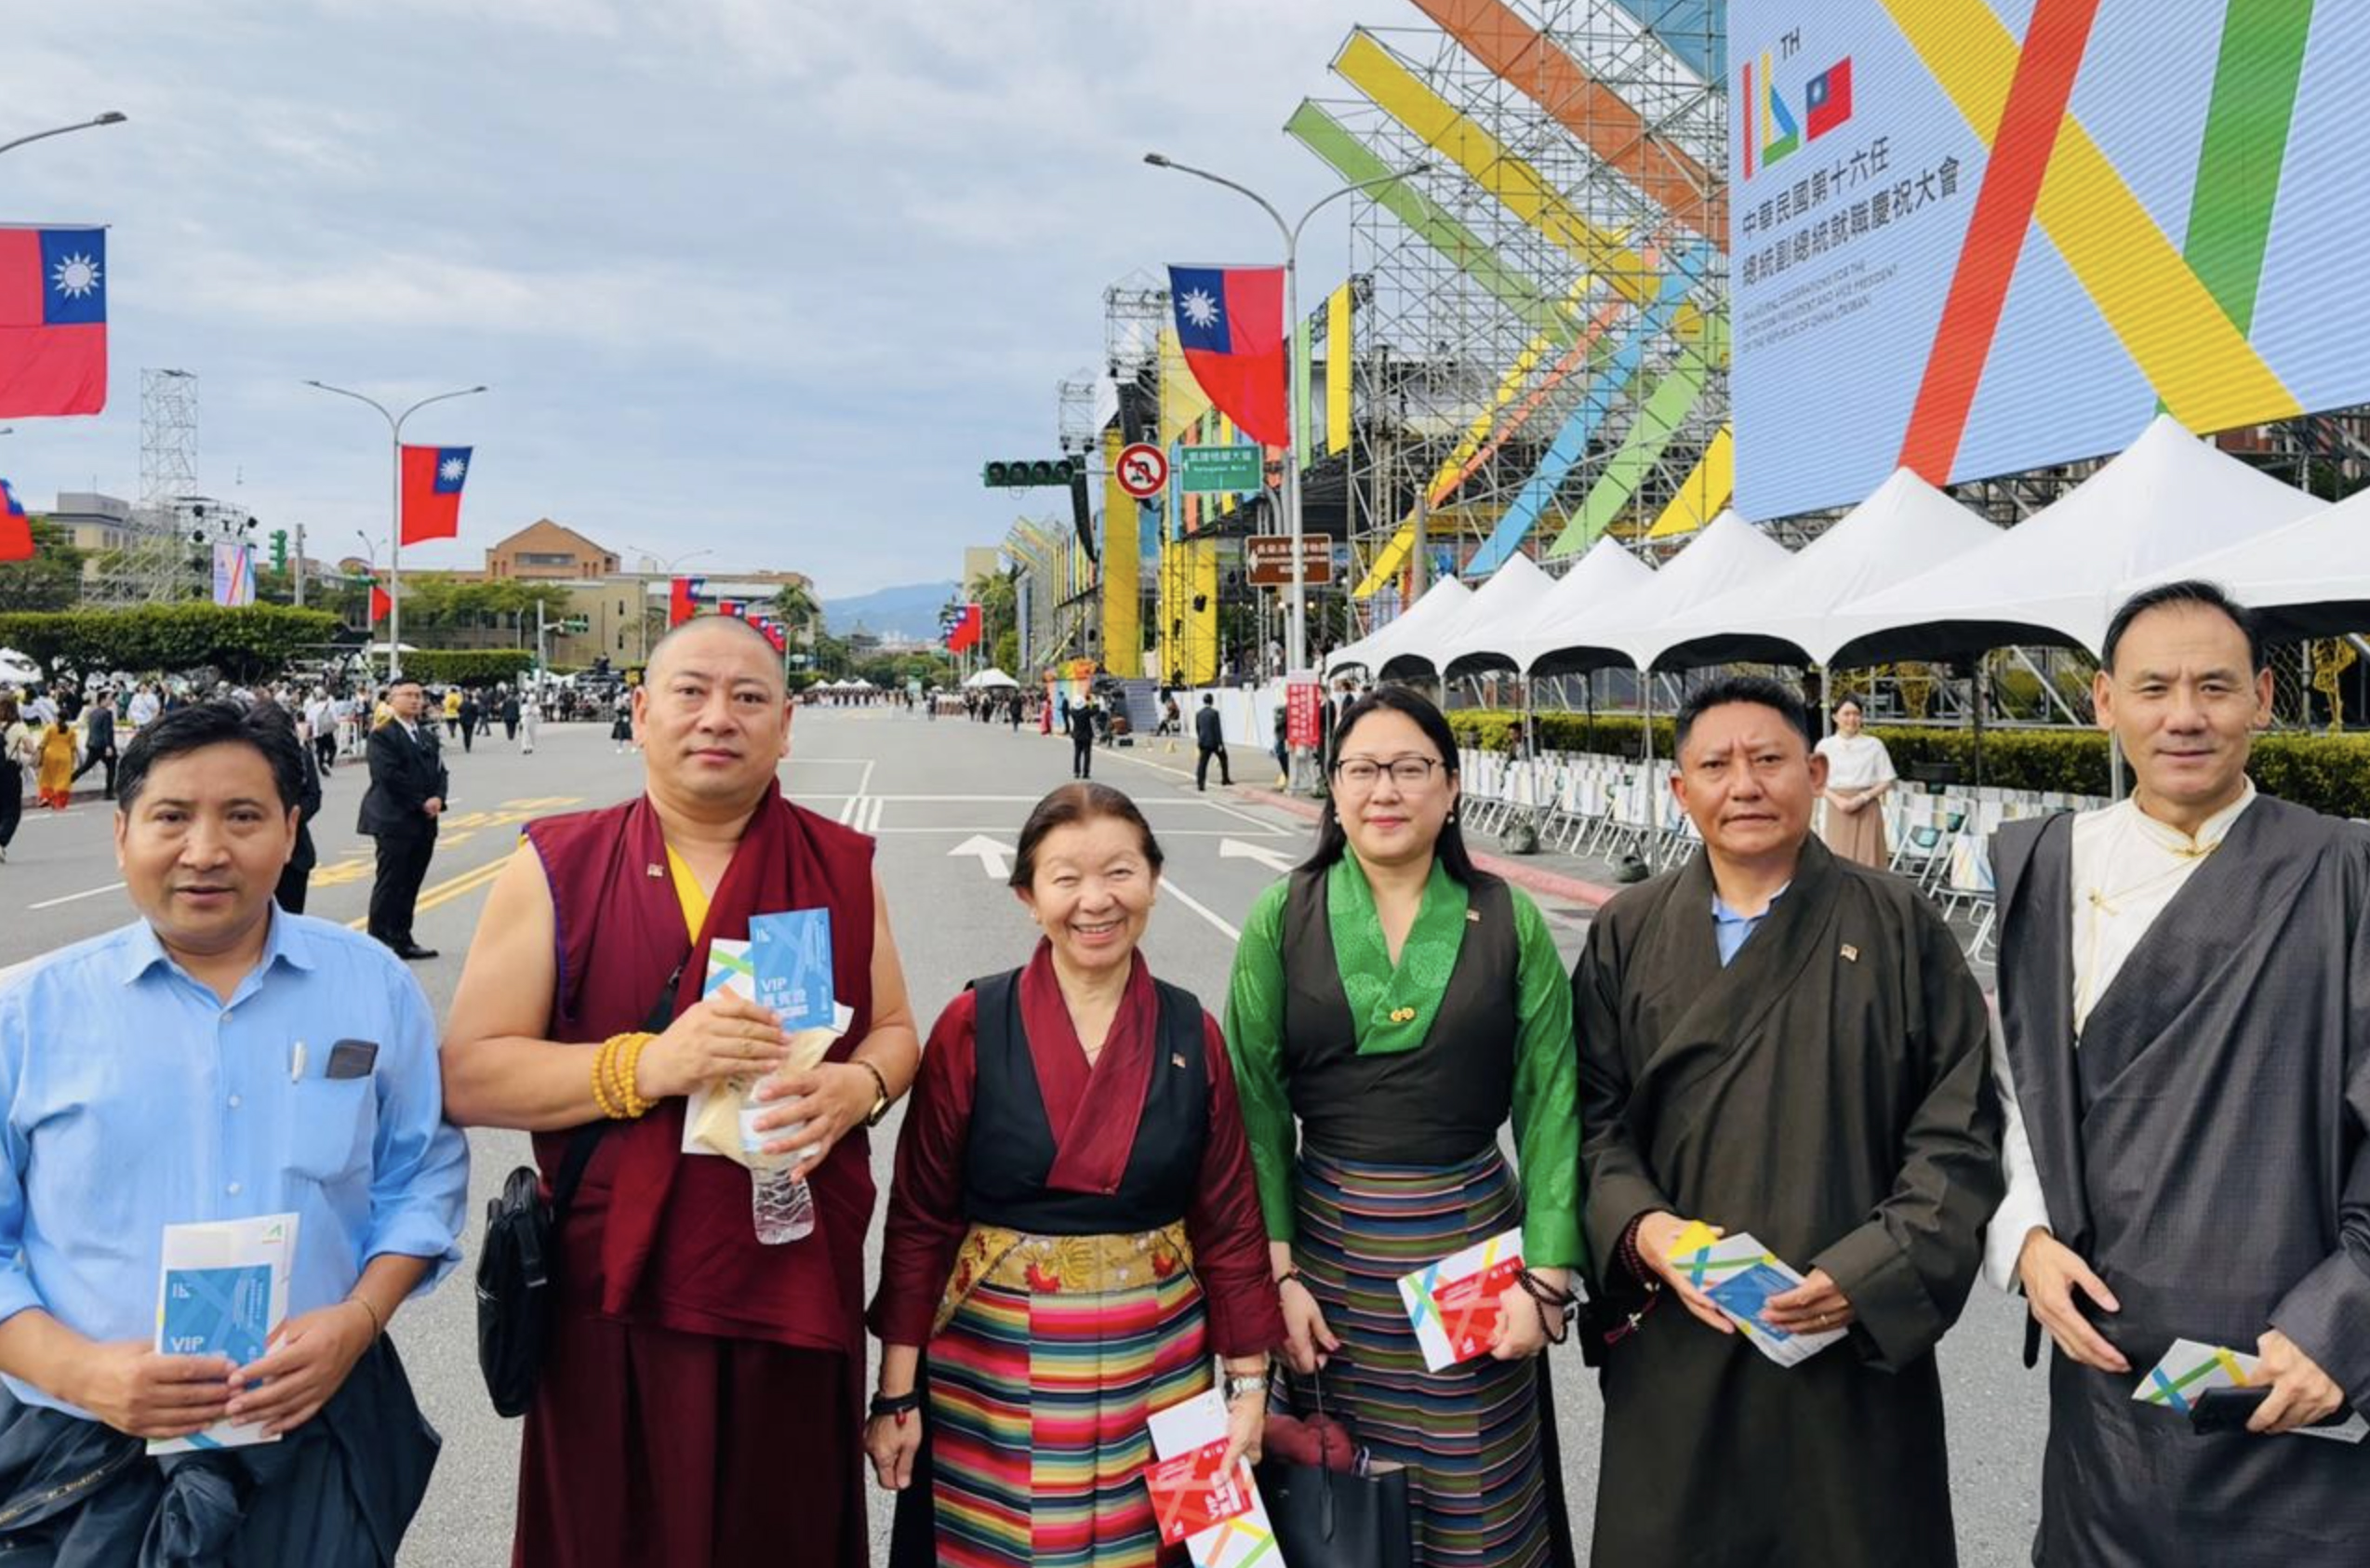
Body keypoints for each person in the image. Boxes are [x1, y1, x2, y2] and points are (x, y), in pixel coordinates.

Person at [441, 613, 925, 1568]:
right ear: (641, 713)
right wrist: (645, 1067)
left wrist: (859, 1088)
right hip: (615, 1295)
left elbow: (897, 1030)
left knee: (776, 1531)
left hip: (788, 1277)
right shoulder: (560, 864)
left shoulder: (837, 862)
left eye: (749, 699)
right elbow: (469, 1072)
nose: (719, 717)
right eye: (691, 692)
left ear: (786, 726)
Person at [0, 701, 468, 1560]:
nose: (206, 850)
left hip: (312, 1429)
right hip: (79, 1449)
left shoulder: (371, 988)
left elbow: (421, 1177)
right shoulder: (28, 1015)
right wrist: (84, 1373)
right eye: (172, 817)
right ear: (122, 833)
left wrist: (359, 1321)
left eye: (243, 816)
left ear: (290, 834)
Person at [1574, 674, 2002, 1567]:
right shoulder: (1629, 930)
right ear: (1679, 789)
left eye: (1769, 760)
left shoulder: (1899, 924)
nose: (1745, 785)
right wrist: (1647, 1233)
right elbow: (1589, 1119)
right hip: (1680, 1339)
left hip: (1847, 1350)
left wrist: (1871, 1273)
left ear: (1813, 771)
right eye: (1717, 765)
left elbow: (1959, 1129)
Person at [1989, 581, 2370, 1566]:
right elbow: (2023, 1093)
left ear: (2263, 700)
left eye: (2214, 685)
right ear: (2104, 701)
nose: (2184, 715)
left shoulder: (2343, 871)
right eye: (2153, 687)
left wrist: (2345, 1320)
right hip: (2108, 1369)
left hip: (2293, 1360)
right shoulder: (2047, 864)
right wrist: (2022, 1232)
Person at [868, 784, 1282, 1564]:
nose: (1095, 901)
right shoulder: (971, 1026)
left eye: (1120, 872)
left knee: (1161, 1549)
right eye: (1065, 879)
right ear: (1029, 897)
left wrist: (1249, 1387)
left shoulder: (1193, 1030)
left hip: (1161, 1363)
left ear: (1155, 881)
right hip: (990, 1371)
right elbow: (919, 1219)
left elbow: (1229, 1220)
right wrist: (896, 1394)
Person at [1226, 685, 1582, 1568]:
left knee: (1477, 1498)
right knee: (1342, 1491)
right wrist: (1274, 1277)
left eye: (1411, 768)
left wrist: (1544, 1280)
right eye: (1361, 769)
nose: (1385, 790)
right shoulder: (1285, 915)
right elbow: (1254, 1111)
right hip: (1327, 1256)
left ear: (1453, 787)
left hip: (1472, 1251)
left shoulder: (1508, 917)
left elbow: (1551, 1100)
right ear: (1334, 789)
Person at [358, 678, 447, 961]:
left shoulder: (426, 736)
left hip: (424, 821)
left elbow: (441, 772)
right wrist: (420, 800)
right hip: (394, 818)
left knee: (411, 881)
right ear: (391, 699)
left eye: (419, 695)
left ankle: (402, 936)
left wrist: (438, 798)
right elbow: (387, 776)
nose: (415, 700)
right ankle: (379, 941)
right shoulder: (382, 734)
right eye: (408, 695)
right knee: (390, 881)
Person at [260, 700, 325, 916]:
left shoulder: (301, 756)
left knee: (292, 917)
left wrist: (285, 820)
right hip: (255, 854)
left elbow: (313, 797)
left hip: (296, 853)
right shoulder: (244, 761)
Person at [1814, 698, 1896, 868]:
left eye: (1856, 714)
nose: (1852, 719)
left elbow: (1887, 779)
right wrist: (1838, 801)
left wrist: (1863, 797)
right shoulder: (1825, 746)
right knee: (1837, 860)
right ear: (1835, 717)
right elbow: (1816, 781)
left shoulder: (1874, 745)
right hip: (1836, 807)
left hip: (1867, 807)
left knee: (1868, 860)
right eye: (1846, 714)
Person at [71, 692, 118, 800]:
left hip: (93, 744)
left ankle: (68, 781)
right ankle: (109, 792)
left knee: (85, 767)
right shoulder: (107, 713)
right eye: (109, 699)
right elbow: (108, 731)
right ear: (102, 700)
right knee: (111, 767)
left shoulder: (93, 713)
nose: (111, 701)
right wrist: (109, 746)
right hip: (103, 745)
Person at [0, 697, 26, 863]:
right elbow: (29, 746)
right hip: (9, 770)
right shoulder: (18, 726)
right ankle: (1, 840)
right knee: (12, 810)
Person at [33, 716, 75, 810]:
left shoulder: (50, 728)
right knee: (62, 780)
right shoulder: (71, 731)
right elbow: (73, 748)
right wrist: (73, 761)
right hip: (65, 756)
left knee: (47, 778)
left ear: (57, 717)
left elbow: (44, 742)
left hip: (50, 755)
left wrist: (39, 755)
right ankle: (58, 802)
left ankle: (46, 797)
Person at [1194, 692, 1232, 791]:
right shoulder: (1214, 713)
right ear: (1212, 701)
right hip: (1214, 742)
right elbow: (1217, 729)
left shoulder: (1199, 713)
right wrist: (1220, 743)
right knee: (1223, 758)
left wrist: (1200, 739)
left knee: (1202, 764)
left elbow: (1197, 728)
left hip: (1203, 742)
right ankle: (1225, 779)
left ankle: (1200, 784)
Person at [1067, 692, 1097, 780]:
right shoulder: (1086, 712)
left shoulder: (1072, 712)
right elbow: (1096, 710)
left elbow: (1072, 707)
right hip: (1087, 736)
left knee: (1077, 754)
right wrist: (1094, 700)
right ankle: (1086, 773)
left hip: (1077, 735)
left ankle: (1076, 772)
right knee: (1087, 755)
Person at [457, 689, 480, 754]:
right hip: (471, 721)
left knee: (465, 734)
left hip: (463, 721)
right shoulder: (473, 705)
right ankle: (468, 746)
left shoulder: (462, 704)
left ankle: (466, 745)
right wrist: (475, 719)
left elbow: (458, 710)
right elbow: (476, 713)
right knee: (469, 734)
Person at [519, 688, 540, 754]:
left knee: (532, 735)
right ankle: (524, 748)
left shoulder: (536, 707)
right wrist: (522, 722)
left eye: (533, 701)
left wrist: (534, 714)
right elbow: (521, 714)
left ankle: (531, 747)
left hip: (533, 722)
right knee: (525, 735)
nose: (532, 702)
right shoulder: (524, 706)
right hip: (526, 721)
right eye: (531, 701)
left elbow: (537, 714)